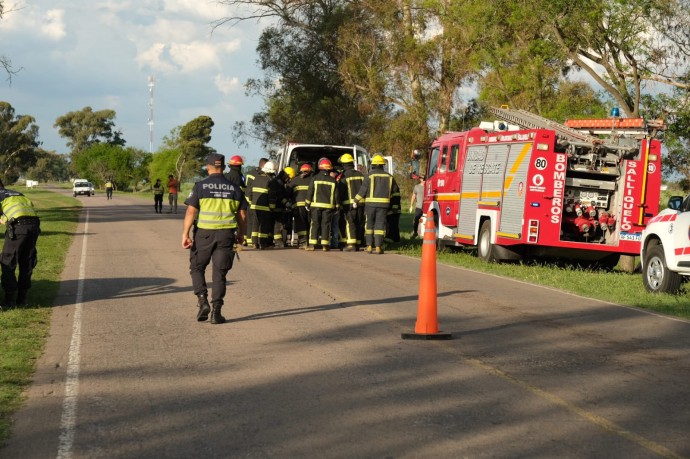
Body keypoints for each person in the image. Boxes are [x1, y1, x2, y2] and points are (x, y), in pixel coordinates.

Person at [182, 153, 246, 324]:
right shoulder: (235, 188)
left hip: (204, 234)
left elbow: (190, 211)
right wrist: (241, 233)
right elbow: (242, 214)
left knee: (197, 267)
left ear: (207, 167)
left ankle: (203, 301)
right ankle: (216, 312)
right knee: (220, 274)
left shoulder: (200, 186)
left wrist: (185, 234)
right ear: (224, 167)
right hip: (226, 235)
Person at [0, 179, 40, 309]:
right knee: (26, 261)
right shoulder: (17, 194)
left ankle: (9, 301)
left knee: (8, 261)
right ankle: (22, 299)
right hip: (34, 225)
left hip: (18, 227)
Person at [354, 155, 400, 254]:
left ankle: (369, 246)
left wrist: (355, 201)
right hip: (384, 205)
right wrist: (395, 207)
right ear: (383, 165)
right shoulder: (389, 177)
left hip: (370, 205)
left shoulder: (369, 176)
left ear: (373, 165)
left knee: (369, 224)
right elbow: (396, 193)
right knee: (380, 225)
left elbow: (363, 190)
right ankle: (378, 247)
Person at [304, 158, 339, 251]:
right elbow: (336, 195)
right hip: (328, 207)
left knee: (314, 224)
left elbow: (310, 191)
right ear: (329, 168)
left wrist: (307, 203)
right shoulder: (333, 180)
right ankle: (325, 245)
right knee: (326, 225)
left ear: (320, 167)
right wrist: (338, 206)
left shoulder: (314, 178)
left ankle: (312, 245)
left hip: (315, 206)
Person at [245, 160, 276, 249]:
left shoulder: (256, 178)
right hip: (265, 208)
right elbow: (272, 196)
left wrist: (251, 203)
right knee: (264, 226)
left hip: (254, 207)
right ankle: (262, 243)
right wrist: (272, 207)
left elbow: (249, 192)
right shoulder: (270, 181)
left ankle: (254, 243)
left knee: (255, 224)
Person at [337, 153, 365, 251]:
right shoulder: (361, 175)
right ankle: (358, 243)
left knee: (350, 223)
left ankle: (351, 244)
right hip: (361, 203)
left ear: (344, 165)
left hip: (348, 204)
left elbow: (340, 191)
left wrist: (338, 203)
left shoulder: (344, 176)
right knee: (359, 222)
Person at [288, 163, 314, 249]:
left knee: (300, 224)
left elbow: (288, 192)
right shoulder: (313, 180)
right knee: (310, 223)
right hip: (311, 205)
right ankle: (311, 241)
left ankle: (303, 242)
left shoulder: (294, 180)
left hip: (298, 206)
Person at [243, 158, 268, 246]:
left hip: (251, 202)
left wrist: (250, 201)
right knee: (258, 223)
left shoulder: (251, 174)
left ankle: (250, 241)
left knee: (252, 222)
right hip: (258, 204)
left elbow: (247, 189)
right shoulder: (266, 177)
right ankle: (255, 241)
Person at [272, 167, 295, 248]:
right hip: (276, 207)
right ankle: (278, 241)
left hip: (277, 206)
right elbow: (280, 196)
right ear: (285, 176)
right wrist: (288, 204)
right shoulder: (278, 183)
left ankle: (274, 241)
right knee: (278, 225)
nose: (288, 181)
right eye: (288, 178)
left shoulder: (278, 181)